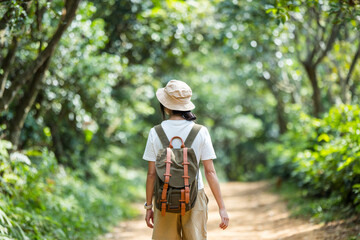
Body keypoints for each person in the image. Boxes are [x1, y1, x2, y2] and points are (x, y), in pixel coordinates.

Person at [143, 79, 229, 240]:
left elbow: (151, 175)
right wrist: (222, 207)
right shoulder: (200, 131)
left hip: (164, 199)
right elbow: (210, 171)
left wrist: (149, 206)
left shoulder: (155, 132)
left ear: (166, 105)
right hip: (195, 196)